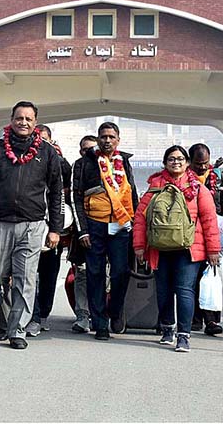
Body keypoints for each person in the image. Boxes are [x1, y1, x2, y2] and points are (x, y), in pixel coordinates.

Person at [0, 101, 63, 350]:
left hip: (32, 224)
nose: (24, 122)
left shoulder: (48, 153)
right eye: (19, 118)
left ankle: (17, 329)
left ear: (35, 123)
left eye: (29, 119)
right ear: (11, 120)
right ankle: (4, 322)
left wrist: (55, 229)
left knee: (26, 279)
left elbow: (55, 193)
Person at [133, 145, 220, 352]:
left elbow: (209, 219)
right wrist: (138, 246)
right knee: (163, 292)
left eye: (180, 159)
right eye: (171, 159)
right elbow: (140, 218)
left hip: (189, 249)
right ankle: (167, 328)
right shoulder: (154, 186)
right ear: (165, 163)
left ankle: (183, 334)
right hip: (159, 248)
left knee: (184, 291)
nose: (176, 162)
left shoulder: (198, 188)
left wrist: (213, 250)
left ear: (187, 163)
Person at [72, 122, 139, 340]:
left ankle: (115, 311)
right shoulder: (83, 163)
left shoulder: (124, 162)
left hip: (121, 226)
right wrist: (82, 231)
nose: (107, 140)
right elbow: (76, 198)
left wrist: (137, 226)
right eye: (103, 137)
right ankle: (100, 323)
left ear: (118, 140)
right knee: (95, 274)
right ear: (98, 139)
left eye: (111, 136)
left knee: (121, 271)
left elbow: (132, 194)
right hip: (94, 226)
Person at [26, 124, 73, 337]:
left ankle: (42, 313)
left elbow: (65, 191)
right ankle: (31, 316)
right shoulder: (26, 159)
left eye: (44, 138)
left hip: (53, 228)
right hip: (30, 224)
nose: (41, 142)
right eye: (38, 138)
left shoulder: (59, 159)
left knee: (48, 275)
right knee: (27, 275)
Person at [188, 143, 223, 335]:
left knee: (212, 278)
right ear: (190, 162)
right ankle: (195, 319)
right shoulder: (183, 179)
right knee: (194, 279)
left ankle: (212, 321)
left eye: (205, 163)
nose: (203, 167)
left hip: (215, 233)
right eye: (198, 164)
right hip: (191, 235)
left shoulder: (219, 177)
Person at [67, 135, 97, 333]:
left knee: (105, 274)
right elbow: (73, 198)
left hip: (109, 230)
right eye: (86, 150)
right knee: (82, 274)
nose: (90, 153)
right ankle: (83, 316)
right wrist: (82, 231)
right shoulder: (77, 166)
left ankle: (102, 314)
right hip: (83, 230)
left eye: (93, 149)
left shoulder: (112, 165)